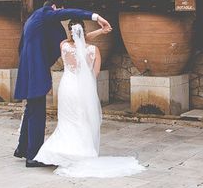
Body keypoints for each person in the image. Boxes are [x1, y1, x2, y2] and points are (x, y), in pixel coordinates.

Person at [34, 19, 145, 178]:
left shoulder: (64, 45)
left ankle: (64, 150)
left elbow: (76, 39)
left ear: (70, 32)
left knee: (67, 119)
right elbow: (94, 73)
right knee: (82, 119)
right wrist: (100, 31)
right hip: (83, 89)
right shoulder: (94, 50)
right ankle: (83, 151)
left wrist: (87, 33)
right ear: (84, 31)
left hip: (67, 87)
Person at [13, 0, 112, 167]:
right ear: (54, 7)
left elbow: (21, 46)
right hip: (35, 71)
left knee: (31, 108)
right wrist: (96, 17)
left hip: (28, 69)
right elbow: (69, 13)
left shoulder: (32, 19)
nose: (60, 15)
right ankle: (33, 156)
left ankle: (22, 149)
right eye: (59, 11)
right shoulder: (45, 13)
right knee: (37, 112)